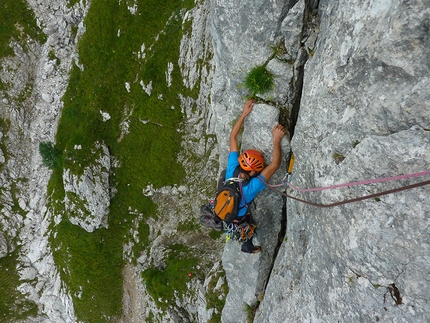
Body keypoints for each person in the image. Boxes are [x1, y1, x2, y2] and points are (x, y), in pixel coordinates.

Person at [201, 99, 287, 254]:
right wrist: (276, 139)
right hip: (237, 216)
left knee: (225, 180)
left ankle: (245, 244)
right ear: (254, 172)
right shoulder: (250, 188)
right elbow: (274, 164)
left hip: (223, 201)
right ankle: (247, 247)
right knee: (245, 226)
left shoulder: (233, 166)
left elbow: (233, 137)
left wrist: (244, 114)